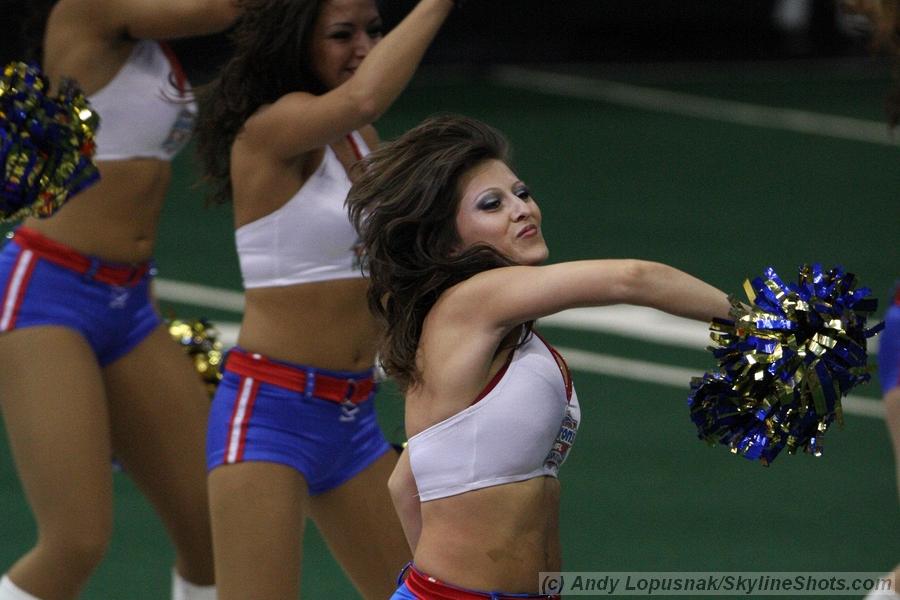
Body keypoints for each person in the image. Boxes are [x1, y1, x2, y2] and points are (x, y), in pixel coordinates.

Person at [345, 114, 735, 599]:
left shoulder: (500, 333)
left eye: (521, 193)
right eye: (492, 204)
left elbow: (404, 483)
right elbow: (633, 278)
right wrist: (760, 323)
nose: (521, 209)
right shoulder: (471, 302)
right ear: (447, 243)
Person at [193, 0, 458, 598]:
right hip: (268, 416)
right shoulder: (271, 128)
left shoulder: (360, 141)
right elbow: (363, 96)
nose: (363, 46)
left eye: (372, 30)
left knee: (426, 591)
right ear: (298, 44)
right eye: (342, 34)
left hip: (352, 419)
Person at [0, 1, 239, 599]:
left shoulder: (150, 38)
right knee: (74, 542)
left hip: (128, 303)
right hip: (47, 298)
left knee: (214, 528)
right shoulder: (89, 9)